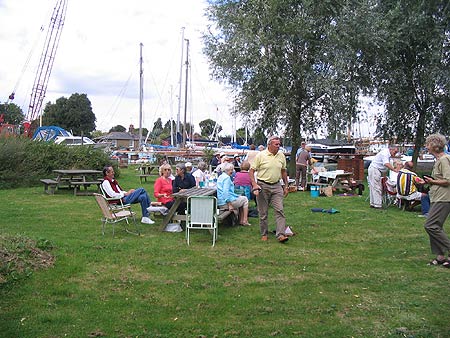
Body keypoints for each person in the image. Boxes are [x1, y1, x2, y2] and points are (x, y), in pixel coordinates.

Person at [417, 134, 450, 267]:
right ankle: (440, 256)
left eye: (428, 144)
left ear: (435, 146)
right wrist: (428, 182)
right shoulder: (439, 160)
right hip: (437, 196)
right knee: (436, 226)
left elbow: (448, 180)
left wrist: (433, 181)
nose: (426, 146)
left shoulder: (444, 159)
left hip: (444, 198)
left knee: (430, 225)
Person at [249, 135, 290, 243]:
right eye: (276, 144)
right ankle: (264, 233)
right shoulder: (260, 156)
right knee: (263, 212)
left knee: (280, 210)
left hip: (277, 186)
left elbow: (283, 171)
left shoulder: (281, 156)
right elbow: (251, 171)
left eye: (279, 144)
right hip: (263, 185)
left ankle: (281, 234)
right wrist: (254, 185)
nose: (278, 146)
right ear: (269, 145)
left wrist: (286, 185)